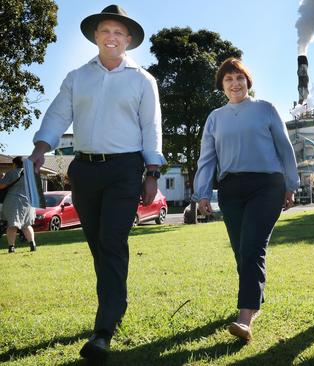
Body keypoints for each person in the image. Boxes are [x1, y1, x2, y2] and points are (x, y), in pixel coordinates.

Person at [29, 5, 165, 363]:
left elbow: (151, 128)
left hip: (125, 168)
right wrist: (42, 147)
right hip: (85, 170)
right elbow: (58, 113)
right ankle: (115, 302)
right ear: (95, 36)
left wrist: (152, 172)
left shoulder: (142, 80)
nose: (111, 37)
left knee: (112, 240)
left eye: (119, 33)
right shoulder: (77, 77)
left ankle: (103, 329)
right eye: (105, 31)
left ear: (129, 40)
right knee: (97, 245)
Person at [193, 57, 299, 342]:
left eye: (239, 78)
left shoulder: (265, 109)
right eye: (228, 79)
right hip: (231, 189)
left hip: (267, 185)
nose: (234, 83)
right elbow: (207, 158)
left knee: (252, 247)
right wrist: (202, 192)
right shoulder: (215, 117)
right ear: (222, 86)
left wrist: (291, 184)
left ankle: (245, 317)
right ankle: (255, 300)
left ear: (247, 82)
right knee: (242, 251)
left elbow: (285, 148)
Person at [1, 157, 37, 253]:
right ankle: (32, 245)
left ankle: (11, 247)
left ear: (15, 164)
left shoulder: (11, 173)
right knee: (27, 225)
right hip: (28, 202)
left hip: (14, 201)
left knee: (12, 225)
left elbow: (2, 186)